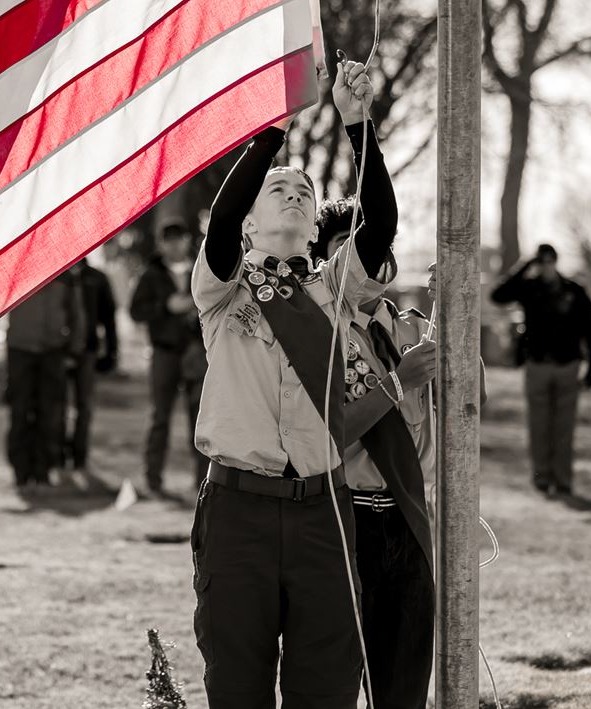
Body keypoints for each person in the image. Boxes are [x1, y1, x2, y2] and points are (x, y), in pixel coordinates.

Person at [190, 58, 393, 709]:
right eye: (278, 187)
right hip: (238, 512)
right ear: (251, 222)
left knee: (326, 686)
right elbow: (218, 226)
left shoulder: (333, 287)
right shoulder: (221, 283)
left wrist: (358, 124)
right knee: (237, 685)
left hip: (323, 512)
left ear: (315, 226)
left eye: (305, 191)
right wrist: (272, 132)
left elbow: (379, 222)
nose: (296, 193)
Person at [312, 203, 439, 709]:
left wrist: (455, 309)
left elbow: (470, 405)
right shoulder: (319, 333)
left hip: (410, 520)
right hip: (347, 519)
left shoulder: (416, 328)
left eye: (377, 246)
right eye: (347, 244)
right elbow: (327, 437)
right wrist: (397, 381)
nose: (367, 257)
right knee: (336, 678)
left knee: (404, 683)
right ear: (323, 258)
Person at [490, 243, 591, 496]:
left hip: (568, 366)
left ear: (557, 261)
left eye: (550, 260)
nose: (547, 265)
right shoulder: (529, 288)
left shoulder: (575, 291)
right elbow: (498, 296)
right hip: (537, 365)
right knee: (538, 425)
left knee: (564, 427)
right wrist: (524, 266)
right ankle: (541, 477)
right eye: (542, 261)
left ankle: (563, 480)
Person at [131, 220, 209, 495]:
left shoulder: (201, 270)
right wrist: (165, 306)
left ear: (187, 240)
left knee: (200, 420)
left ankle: (203, 482)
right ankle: (153, 481)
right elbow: (136, 311)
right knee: (160, 418)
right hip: (163, 353)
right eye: (169, 239)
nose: (174, 244)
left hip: (196, 354)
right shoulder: (151, 275)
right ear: (162, 243)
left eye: (179, 238)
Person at [5, 271, 84, 490]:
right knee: (19, 411)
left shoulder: (66, 275)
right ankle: (20, 472)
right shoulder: (18, 268)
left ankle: (43, 471)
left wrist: (73, 350)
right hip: (20, 349)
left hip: (53, 352)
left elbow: (76, 314)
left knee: (49, 414)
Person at [66, 257, 118, 483]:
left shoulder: (97, 278)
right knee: (56, 408)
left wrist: (111, 351)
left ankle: (80, 460)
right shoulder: (58, 275)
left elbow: (109, 319)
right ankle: (57, 459)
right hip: (59, 351)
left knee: (84, 407)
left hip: (88, 351)